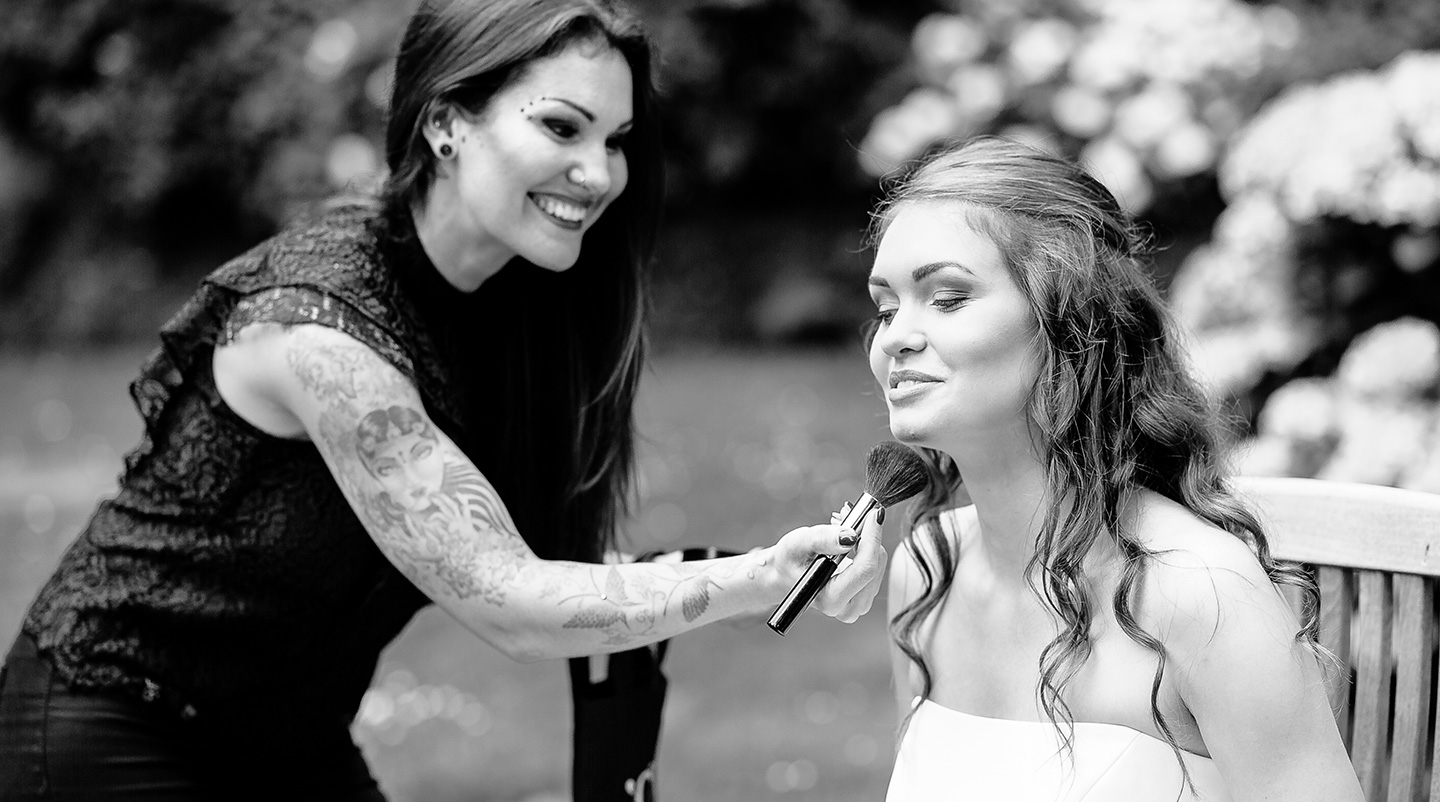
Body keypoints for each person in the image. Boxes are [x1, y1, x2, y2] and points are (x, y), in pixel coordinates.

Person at [0, 0, 885, 798]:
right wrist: (759, 578)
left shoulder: (523, 303)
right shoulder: (320, 332)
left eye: (615, 140)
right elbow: (507, 598)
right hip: (116, 723)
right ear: (444, 123)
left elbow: (554, 561)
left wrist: (760, 564)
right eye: (562, 126)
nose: (598, 173)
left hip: (291, 741)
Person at [866, 137, 1362, 801]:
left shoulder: (1199, 595)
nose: (895, 337)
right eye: (886, 308)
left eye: (948, 298)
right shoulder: (928, 569)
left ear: (1068, 323)